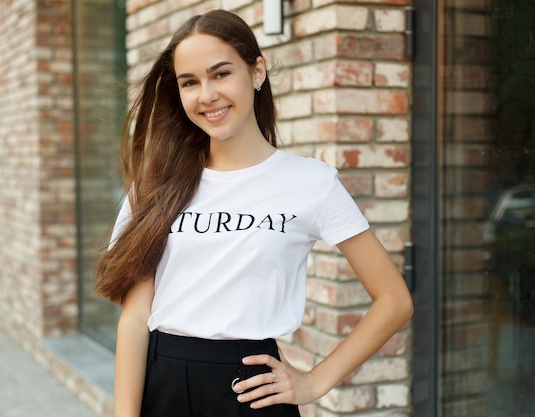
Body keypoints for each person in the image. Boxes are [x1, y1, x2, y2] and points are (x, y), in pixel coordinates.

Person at [94, 9, 413, 417]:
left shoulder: (310, 182)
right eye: (189, 82)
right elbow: (136, 319)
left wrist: (316, 380)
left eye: (221, 74)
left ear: (257, 71)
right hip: (163, 386)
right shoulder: (156, 185)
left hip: (251, 392)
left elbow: (394, 300)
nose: (206, 94)